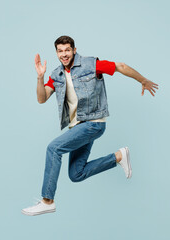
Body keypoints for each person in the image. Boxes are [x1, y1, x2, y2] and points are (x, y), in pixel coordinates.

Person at [21, 36, 159, 216]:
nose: (64, 54)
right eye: (60, 51)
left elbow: (120, 66)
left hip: (93, 123)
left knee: (53, 149)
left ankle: (47, 200)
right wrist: (40, 77)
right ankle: (118, 156)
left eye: (67, 50)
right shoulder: (56, 75)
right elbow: (42, 98)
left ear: (74, 50)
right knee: (76, 174)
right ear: (56, 53)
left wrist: (143, 80)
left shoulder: (90, 64)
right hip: (78, 127)